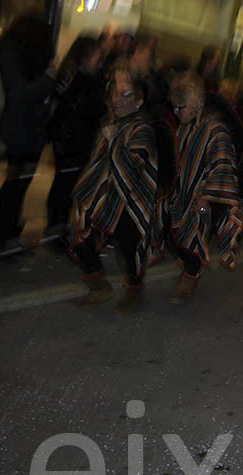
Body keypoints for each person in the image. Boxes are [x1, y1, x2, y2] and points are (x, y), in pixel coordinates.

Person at [70, 61, 158, 314]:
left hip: (131, 201)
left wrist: (112, 140)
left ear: (139, 101)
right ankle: (99, 287)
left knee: (129, 248)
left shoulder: (142, 127)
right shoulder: (110, 123)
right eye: (115, 93)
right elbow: (97, 163)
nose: (118, 100)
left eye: (126, 94)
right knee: (78, 224)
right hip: (106, 195)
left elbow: (129, 168)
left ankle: (134, 289)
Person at [153, 72, 242, 302]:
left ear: (193, 105)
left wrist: (206, 197)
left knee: (193, 233)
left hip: (205, 198)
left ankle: (190, 277)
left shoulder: (216, 130)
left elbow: (223, 166)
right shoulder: (183, 128)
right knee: (167, 227)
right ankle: (188, 265)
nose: (176, 112)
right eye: (174, 107)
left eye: (179, 107)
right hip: (181, 193)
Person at [0, 14, 56, 255]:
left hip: (30, 130)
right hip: (19, 131)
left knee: (20, 184)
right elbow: (19, 95)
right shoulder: (11, 53)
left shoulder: (22, 54)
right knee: (14, 184)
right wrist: (48, 78)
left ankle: (8, 233)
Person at [45, 36, 106, 237]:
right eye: (97, 56)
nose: (100, 60)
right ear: (87, 56)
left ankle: (60, 224)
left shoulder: (93, 77)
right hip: (70, 137)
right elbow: (67, 107)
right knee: (63, 185)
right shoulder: (73, 75)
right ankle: (56, 225)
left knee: (69, 184)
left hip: (79, 137)